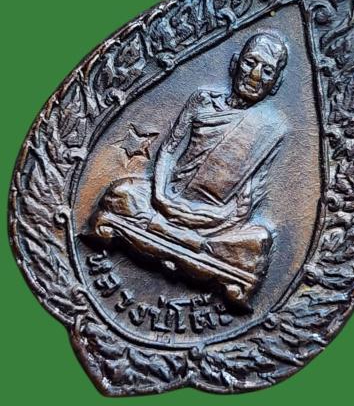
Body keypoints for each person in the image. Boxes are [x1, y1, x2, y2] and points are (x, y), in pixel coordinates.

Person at [91, 32, 289, 307]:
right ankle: (190, 245)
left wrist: (217, 219)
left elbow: (250, 193)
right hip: (164, 199)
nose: (255, 76)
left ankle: (164, 235)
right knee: (122, 192)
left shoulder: (272, 129)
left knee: (258, 241)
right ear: (235, 64)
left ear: (276, 83)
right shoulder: (203, 100)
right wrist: (161, 195)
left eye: (267, 71)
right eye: (250, 62)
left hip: (215, 221)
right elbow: (170, 149)